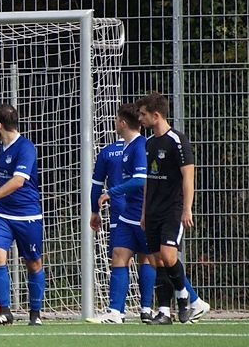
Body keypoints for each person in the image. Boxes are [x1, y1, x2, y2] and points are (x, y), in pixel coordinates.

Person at [88, 104, 209, 324]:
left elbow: (141, 180)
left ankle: (191, 300)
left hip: (146, 213)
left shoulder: (142, 146)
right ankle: (115, 311)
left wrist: (111, 193)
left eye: (116, 119)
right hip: (129, 214)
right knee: (119, 255)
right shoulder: (131, 147)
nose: (142, 119)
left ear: (122, 122)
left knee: (161, 259)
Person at [0, 104, 45, 326]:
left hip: (27, 215)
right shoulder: (2, 147)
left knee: (33, 264)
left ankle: (35, 314)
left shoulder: (26, 147)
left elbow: (18, 181)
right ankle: (5, 312)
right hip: (3, 214)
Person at [138, 92, 198, 324]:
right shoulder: (149, 143)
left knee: (168, 255)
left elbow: (188, 177)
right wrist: (144, 212)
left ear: (156, 115)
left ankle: (183, 296)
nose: (140, 119)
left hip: (172, 209)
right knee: (157, 261)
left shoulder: (177, 140)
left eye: (143, 114)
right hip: (152, 210)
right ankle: (164, 311)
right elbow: (148, 181)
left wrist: (187, 209)